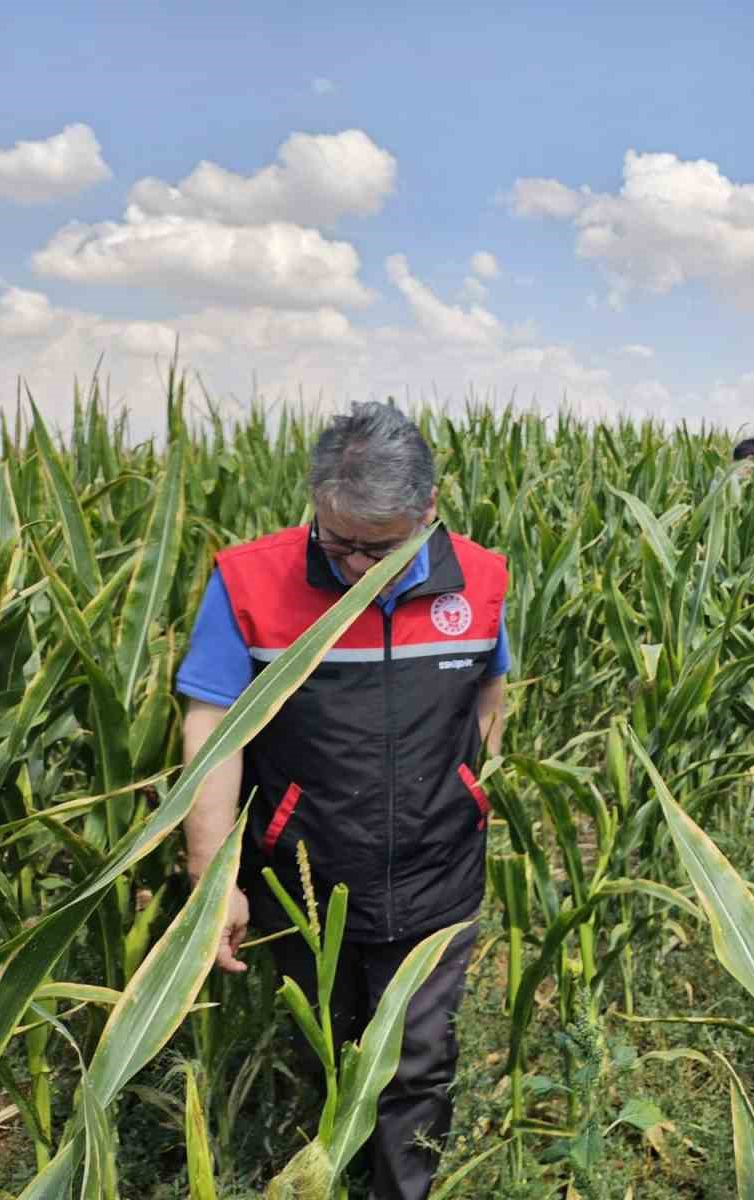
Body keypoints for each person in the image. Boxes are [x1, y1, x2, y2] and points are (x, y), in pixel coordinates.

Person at [177, 401, 510, 1200]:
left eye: (381, 548)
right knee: (328, 1043)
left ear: (428, 510)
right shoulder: (249, 581)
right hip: (305, 870)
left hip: (437, 872)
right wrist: (211, 877)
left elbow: (489, 694)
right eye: (338, 542)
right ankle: (335, 1169)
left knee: (419, 1057)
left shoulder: (484, 577)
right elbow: (211, 729)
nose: (358, 567)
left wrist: (473, 788)